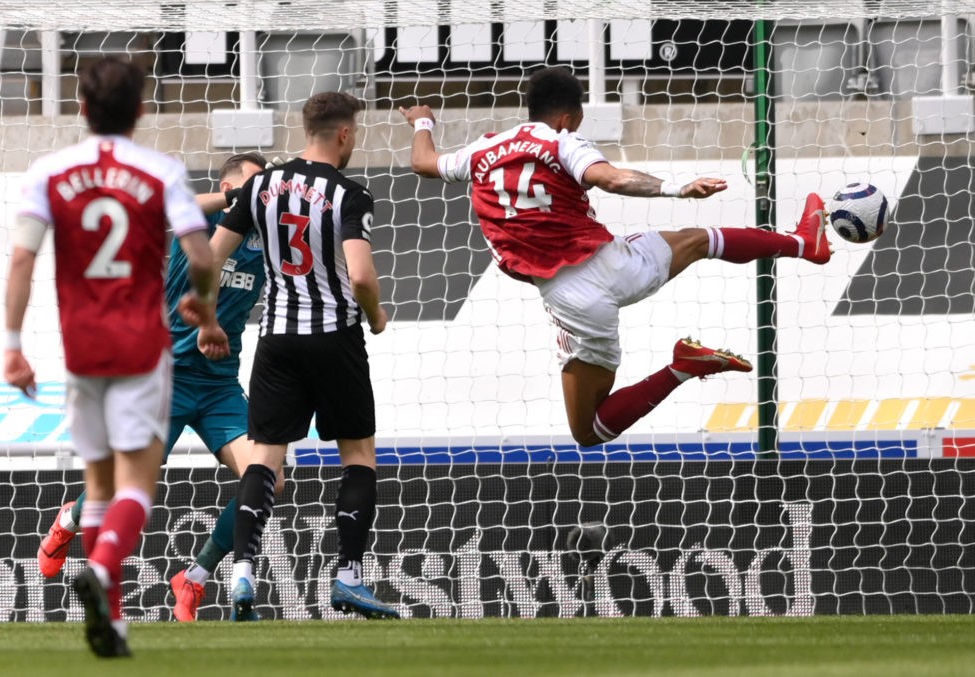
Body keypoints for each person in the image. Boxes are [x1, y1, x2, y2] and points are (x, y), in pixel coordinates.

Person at [399, 66, 830, 447]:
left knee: (588, 431)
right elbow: (612, 178)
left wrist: (422, 121)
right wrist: (677, 188)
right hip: (615, 263)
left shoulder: (480, 151)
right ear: (569, 117)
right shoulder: (563, 142)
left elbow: (423, 162)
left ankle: (681, 368)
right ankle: (800, 243)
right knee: (699, 240)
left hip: (573, 300)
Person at [4, 57, 225, 657]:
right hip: (141, 348)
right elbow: (202, 259)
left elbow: (22, 259)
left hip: (81, 350)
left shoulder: (49, 172)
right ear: (141, 110)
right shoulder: (161, 171)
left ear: (80, 107)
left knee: (95, 487)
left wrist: (13, 347)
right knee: (135, 488)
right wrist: (204, 308)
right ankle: (103, 573)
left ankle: (115, 623)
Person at [35, 152, 271, 624]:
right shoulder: (197, 226)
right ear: (227, 187)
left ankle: (196, 577)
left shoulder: (267, 246)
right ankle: (67, 521)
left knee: (267, 479)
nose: (258, 195)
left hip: (221, 386)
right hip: (166, 379)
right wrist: (231, 198)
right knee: (128, 486)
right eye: (250, 185)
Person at [210, 91, 398, 621]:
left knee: (266, 456)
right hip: (334, 335)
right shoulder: (349, 193)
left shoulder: (260, 185)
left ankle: (243, 570)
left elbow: (214, 254)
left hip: (276, 339)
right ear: (343, 134)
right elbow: (360, 274)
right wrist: (378, 317)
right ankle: (347, 577)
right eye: (354, 133)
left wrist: (205, 309)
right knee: (357, 455)